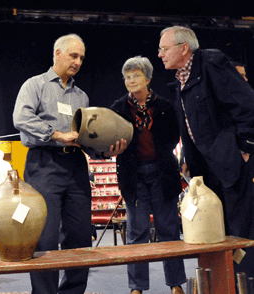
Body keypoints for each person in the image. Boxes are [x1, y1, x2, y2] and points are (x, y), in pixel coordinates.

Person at [13, 33, 126, 294]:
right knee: (45, 237)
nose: (78, 62)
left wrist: (107, 152)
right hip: (43, 164)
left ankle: (73, 291)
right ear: (57, 54)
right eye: (73, 55)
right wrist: (56, 134)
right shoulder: (35, 85)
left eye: (82, 58)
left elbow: (85, 139)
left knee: (79, 236)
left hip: (76, 166)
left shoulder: (82, 98)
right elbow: (21, 117)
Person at [158, 25, 254, 279]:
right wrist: (188, 160)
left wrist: (244, 149)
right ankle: (223, 284)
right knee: (214, 232)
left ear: (184, 48)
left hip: (231, 165)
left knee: (240, 232)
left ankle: (245, 284)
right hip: (206, 172)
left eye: (164, 48)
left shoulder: (212, 64)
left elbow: (247, 106)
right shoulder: (180, 82)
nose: (160, 54)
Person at [109, 56, 186, 294]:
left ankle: (175, 284)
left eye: (136, 76)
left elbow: (174, 137)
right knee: (137, 233)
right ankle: (137, 287)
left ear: (148, 79)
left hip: (163, 174)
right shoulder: (118, 108)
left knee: (169, 230)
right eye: (127, 77)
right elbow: (111, 140)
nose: (131, 81)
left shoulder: (165, 106)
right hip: (134, 176)